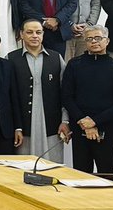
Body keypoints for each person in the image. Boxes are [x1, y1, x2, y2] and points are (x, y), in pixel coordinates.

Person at [61, 25, 113, 174]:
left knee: (106, 175)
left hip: (108, 130)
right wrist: (84, 122)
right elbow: (66, 97)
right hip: (80, 127)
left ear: (107, 41)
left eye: (98, 38)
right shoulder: (74, 65)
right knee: (80, 175)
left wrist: (95, 122)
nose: (94, 42)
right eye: (89, 39)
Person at [6, 19, 70, 162]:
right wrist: (15, 127)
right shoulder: (11, 59)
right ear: (21, 34)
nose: (34, 36)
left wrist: (65, 120)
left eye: (38, 32)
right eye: (29, 32)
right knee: (22, 168)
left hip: (51, 125)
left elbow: (66, 93)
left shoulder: (56, 58)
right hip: (22, 128)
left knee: (52, 167)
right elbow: (8, 97)